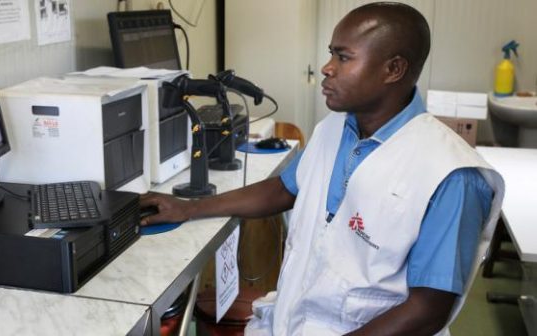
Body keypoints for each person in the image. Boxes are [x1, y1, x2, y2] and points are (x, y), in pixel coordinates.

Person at [140, 2, 504, 335]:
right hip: (291, 321)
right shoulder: (334, 128)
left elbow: (427, 311)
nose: (328, 68)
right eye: (332, 53)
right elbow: (284, 188)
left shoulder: (451, 175)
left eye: (344, 58)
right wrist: (190, 208)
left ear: (394, 69)